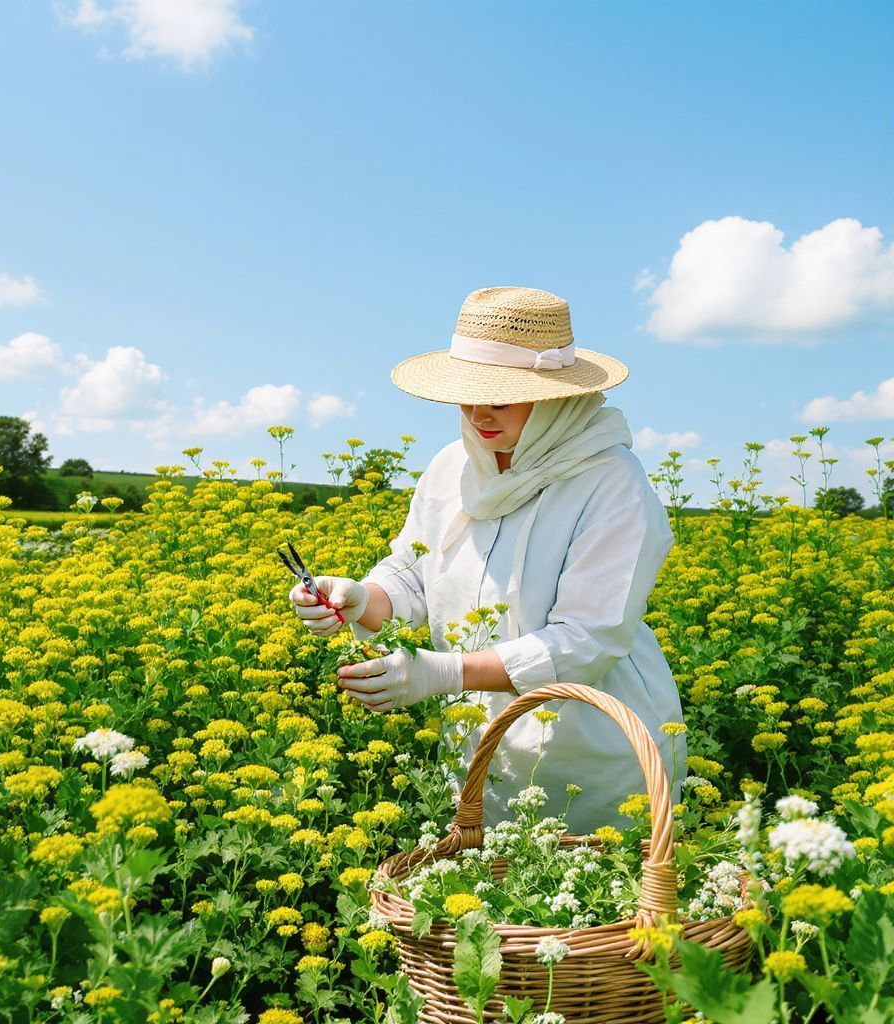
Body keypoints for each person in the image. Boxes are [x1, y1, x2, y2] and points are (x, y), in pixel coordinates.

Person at [289, 285, 687, 833]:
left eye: (500, 399)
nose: (479, 415)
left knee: (596, 911)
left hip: (598, 767)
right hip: (479, 758)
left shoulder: (612, 482)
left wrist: (445, 672)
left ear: (556, 399)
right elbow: (413, 577)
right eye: (468, 397)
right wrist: (356, 599)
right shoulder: (452, 466)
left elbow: (587, 642)